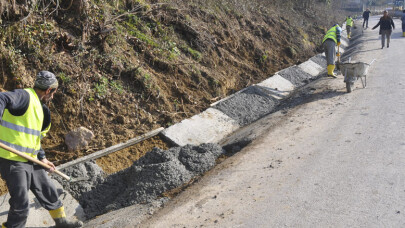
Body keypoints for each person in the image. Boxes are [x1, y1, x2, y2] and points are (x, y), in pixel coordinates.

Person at [0, 71, 83, 228]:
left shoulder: (41, 109)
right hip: (12, 159)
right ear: (48, 90)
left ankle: (62, 223)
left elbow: (35, 139)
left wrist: (42, 158)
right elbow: (2, 98)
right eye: (53, 93)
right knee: (21, 204)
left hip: (31, 158)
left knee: (49, 190)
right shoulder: (24, 96)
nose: (52, 97)